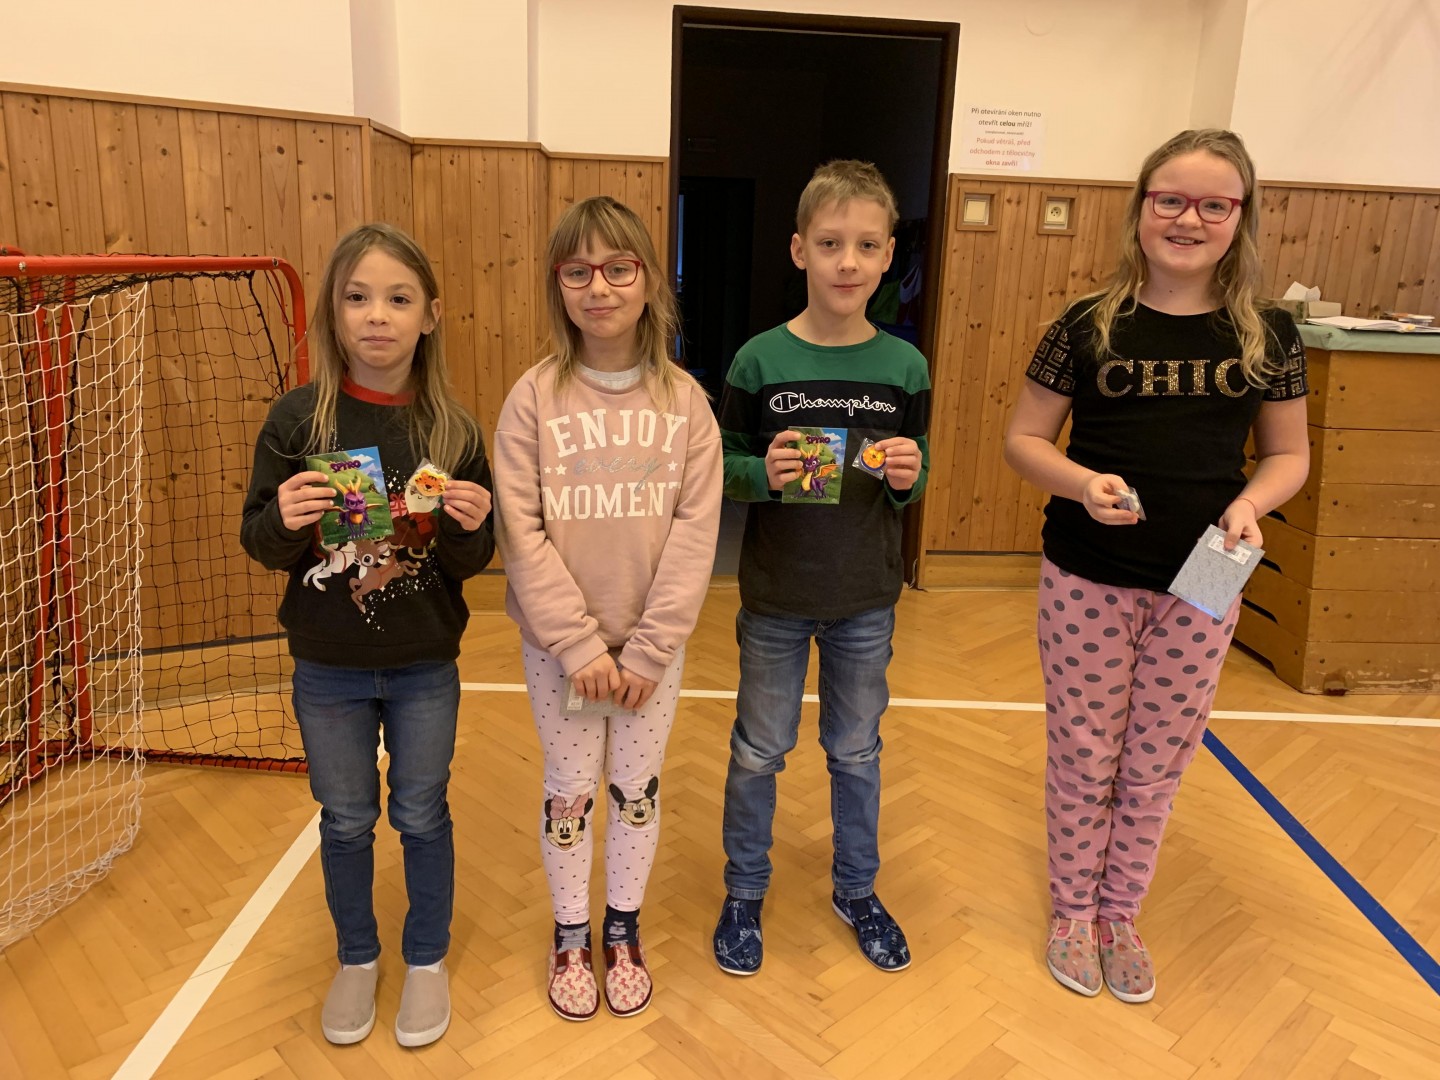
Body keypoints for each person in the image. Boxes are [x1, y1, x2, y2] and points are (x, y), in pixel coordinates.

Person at [1003, 129, 1309, 1003]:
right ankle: (1072, 911)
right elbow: (1024, 440)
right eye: (1170, 199)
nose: (1189, 219)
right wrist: (1080, 482)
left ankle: (1119, 914)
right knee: (1085, 751)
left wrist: (1251, 505)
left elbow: (1289, 455)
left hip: (1208, 574)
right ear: (1141, 208)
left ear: (1240, 218)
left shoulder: (1268, 333)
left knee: (1158, 757)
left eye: (1214, 204)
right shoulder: (1086, 324)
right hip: (1088, 572)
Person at [240, 222, 495, 1046]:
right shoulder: (298, 421)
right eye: (357, 297)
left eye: (398, 298)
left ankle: (425, 957)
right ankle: (357, 955)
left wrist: (469, 526)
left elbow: (470, 562)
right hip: (328, 666)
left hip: (424, 663)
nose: (377, 315)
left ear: (430, 316)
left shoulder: (453, 431)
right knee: (346, 818)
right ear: (333, 312)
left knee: (422, 813)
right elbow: (260, 542)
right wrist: (282, 519)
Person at [492, 195, 721, 1020]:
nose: (599, 287)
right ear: (558, 285)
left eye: (618, 268)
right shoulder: (533, 398)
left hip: (651, 652)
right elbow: (521, 530)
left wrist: (650, 649)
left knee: (635, 788)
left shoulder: (685, 403)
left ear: (649, 280)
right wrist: (577, 644)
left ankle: (621, 928)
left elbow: (696, 532)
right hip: (562, 653)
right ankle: (569, 932)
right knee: (570, 790)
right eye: (578, 270)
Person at [711, 160, 931, 976]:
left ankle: (857, 889)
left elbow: (917, 472)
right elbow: (720, 465)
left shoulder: (904, 367)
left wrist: (911, 475)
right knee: (758, 751)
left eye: (867, 245)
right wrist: (758, 474)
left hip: (866, 599)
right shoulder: (758, 361)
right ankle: (744, 891)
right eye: (831, 243)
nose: (848, 261)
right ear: (799, 249)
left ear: (888, 256)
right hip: (776, 597)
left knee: (856, 751)